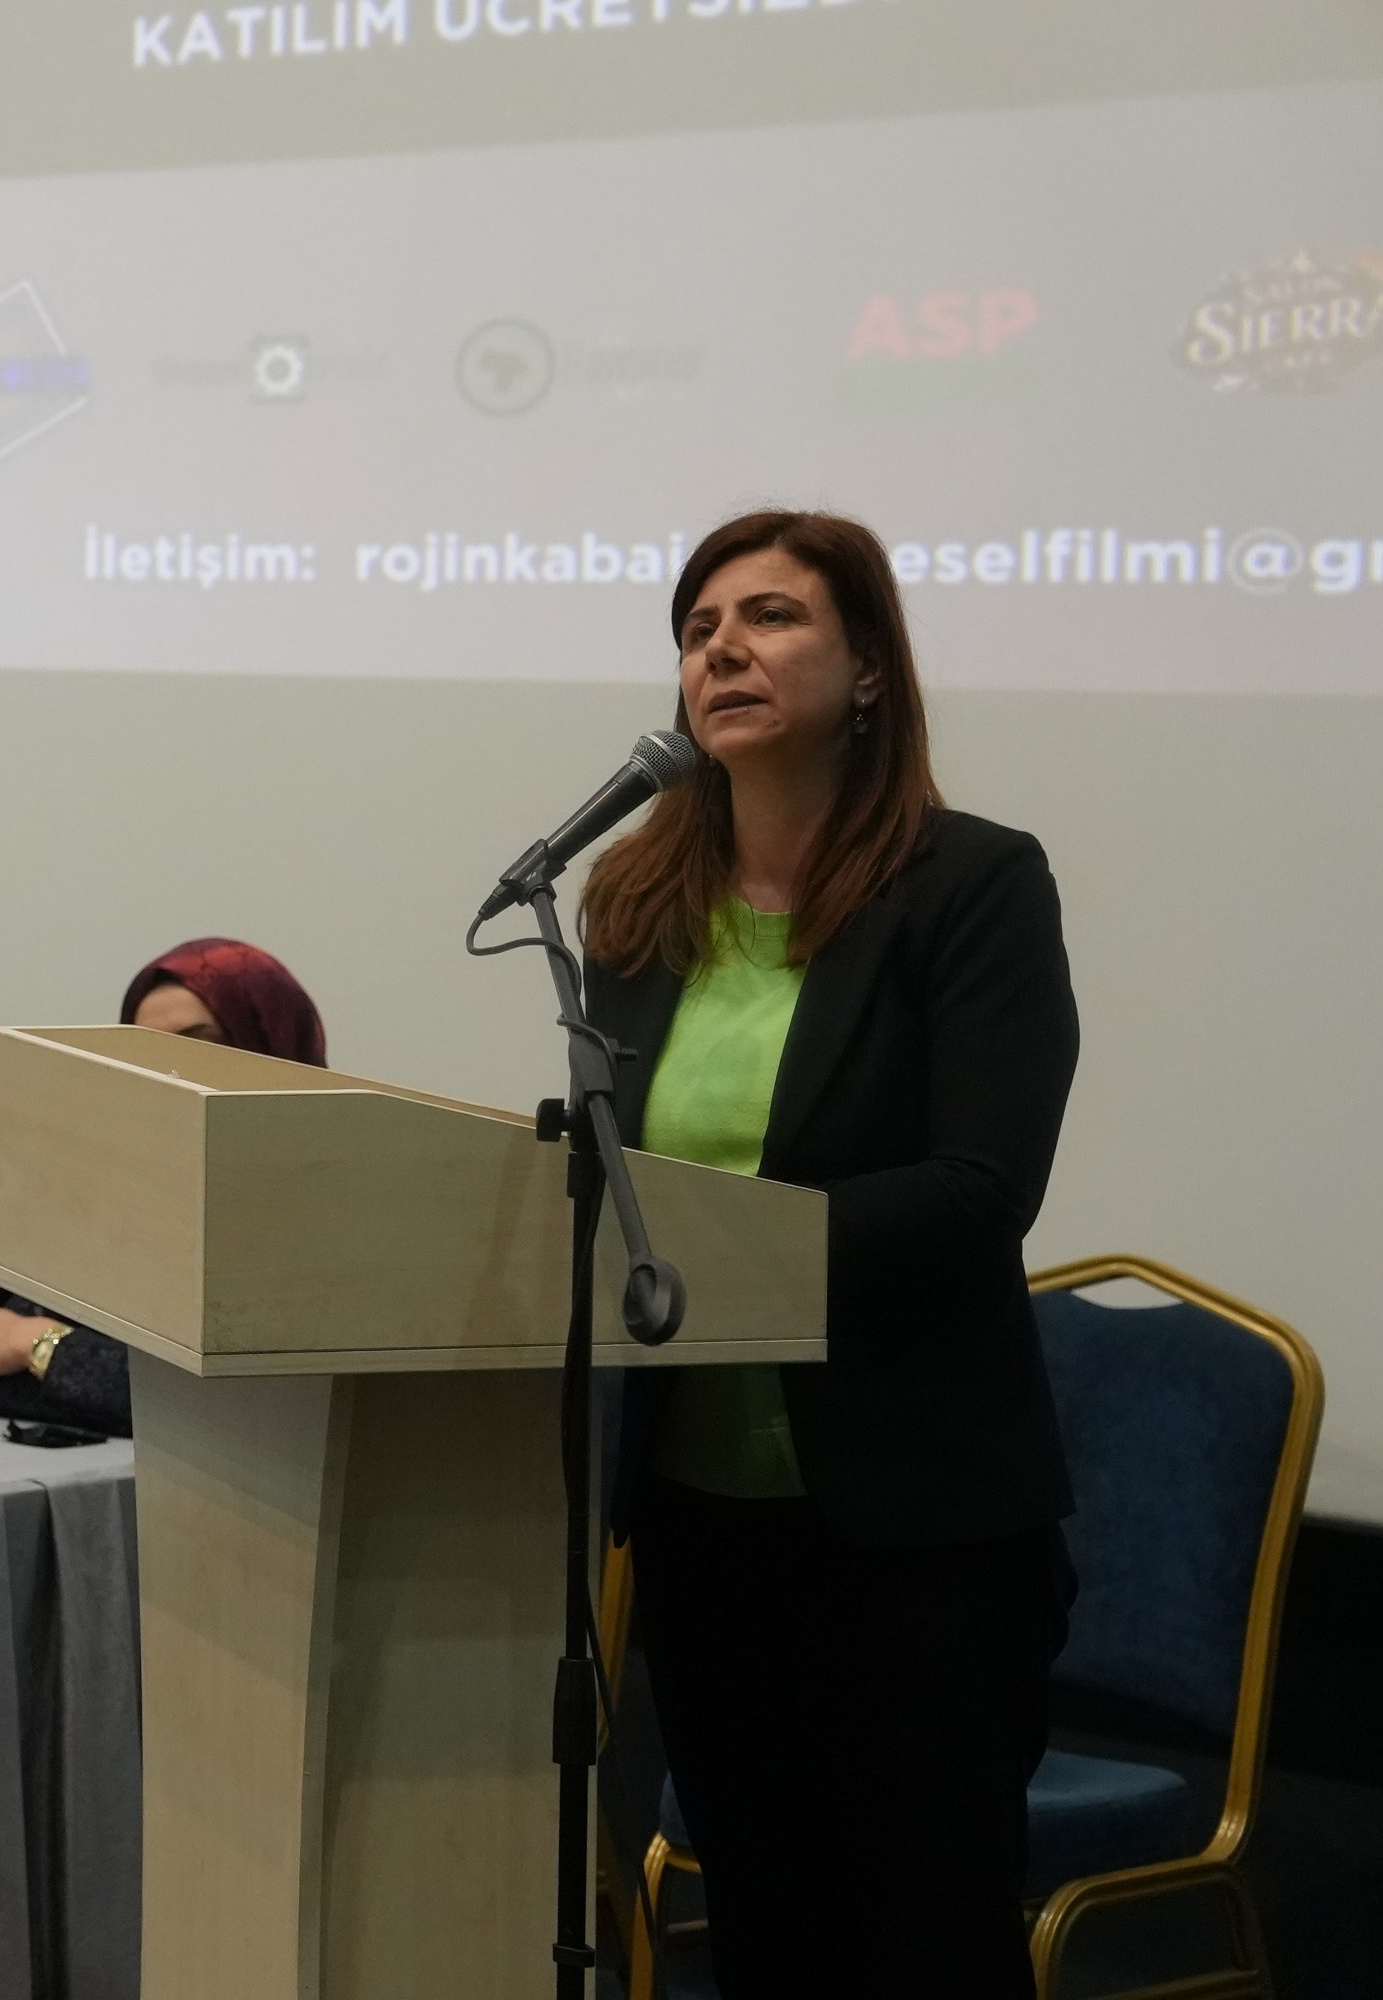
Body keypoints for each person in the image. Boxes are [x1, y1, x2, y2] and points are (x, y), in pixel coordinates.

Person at [583, 511, 1077, 1998]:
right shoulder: (632, 907)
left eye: (770, 616)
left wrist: (725, 1248)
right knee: (768, 1932)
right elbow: (614, 1184)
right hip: (701, 1520)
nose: (721, 649)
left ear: (868, 670)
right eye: (697, 630)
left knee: (926, 1939)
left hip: (916, 1521)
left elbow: (982, 1187)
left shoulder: (971, 884)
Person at [0, 937, 330, 1436]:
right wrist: (83, 1367)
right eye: (147, 1054)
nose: (169, 1074)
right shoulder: (125, 1194)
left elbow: (247, 1405)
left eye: (201, 1045)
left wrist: (42, 1346)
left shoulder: (321, 1205)